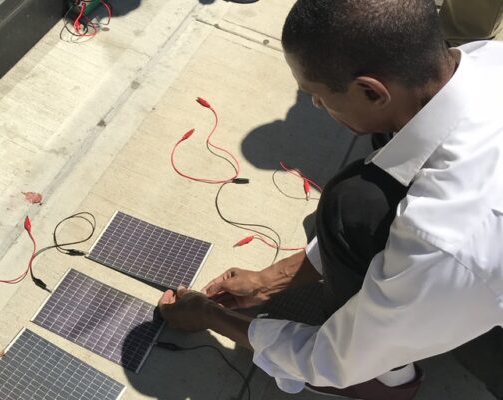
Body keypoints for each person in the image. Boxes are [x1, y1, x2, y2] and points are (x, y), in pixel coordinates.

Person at [158, 1, 503, 399]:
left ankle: (383, 384)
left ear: (372, 91)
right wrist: (271, 280)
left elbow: (334, 359)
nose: (317, 106)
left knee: (350, 205)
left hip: (474, 276)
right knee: (361, 197)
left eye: (315, 95)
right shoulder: (485, 60)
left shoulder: (448, 238)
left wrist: (211, 317)